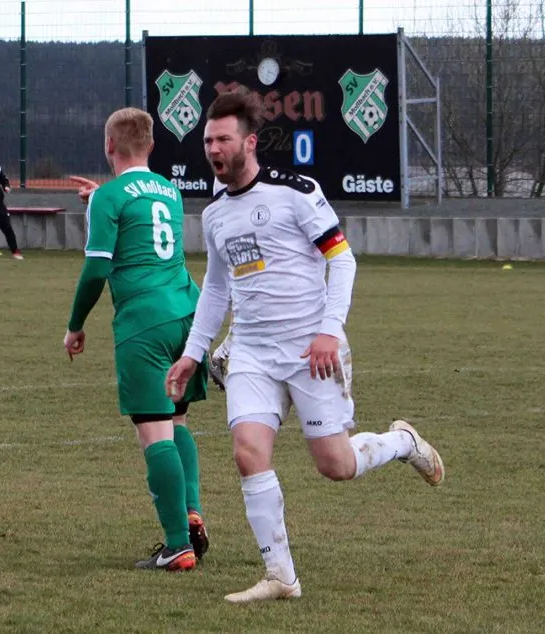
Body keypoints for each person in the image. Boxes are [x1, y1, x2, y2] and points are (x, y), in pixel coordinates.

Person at [165, 89, 446, 602]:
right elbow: (217, 288)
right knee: (248, 453)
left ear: (249, 142)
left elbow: (343, 259)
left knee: (336, 465)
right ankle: (281, 577)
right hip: (251, 353)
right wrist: (193, 352)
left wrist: (329, 331)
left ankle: (402, 443)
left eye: (223, 139)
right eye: (208, 141)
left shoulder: (296, 192)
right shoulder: (214, 214)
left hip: (311, 350)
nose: (213, 149)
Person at [64, 107, 209, 572]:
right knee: (177, 419)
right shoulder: (169, 189)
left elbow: (96, 269)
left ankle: (177, 546)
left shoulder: (109, 197)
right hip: (187, 313)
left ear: (109, 145)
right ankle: (191, 512)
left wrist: (75, 324)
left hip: (144, 322)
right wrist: (99, 199)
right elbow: (140, 218)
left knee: (154, 430)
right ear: (151, 145)